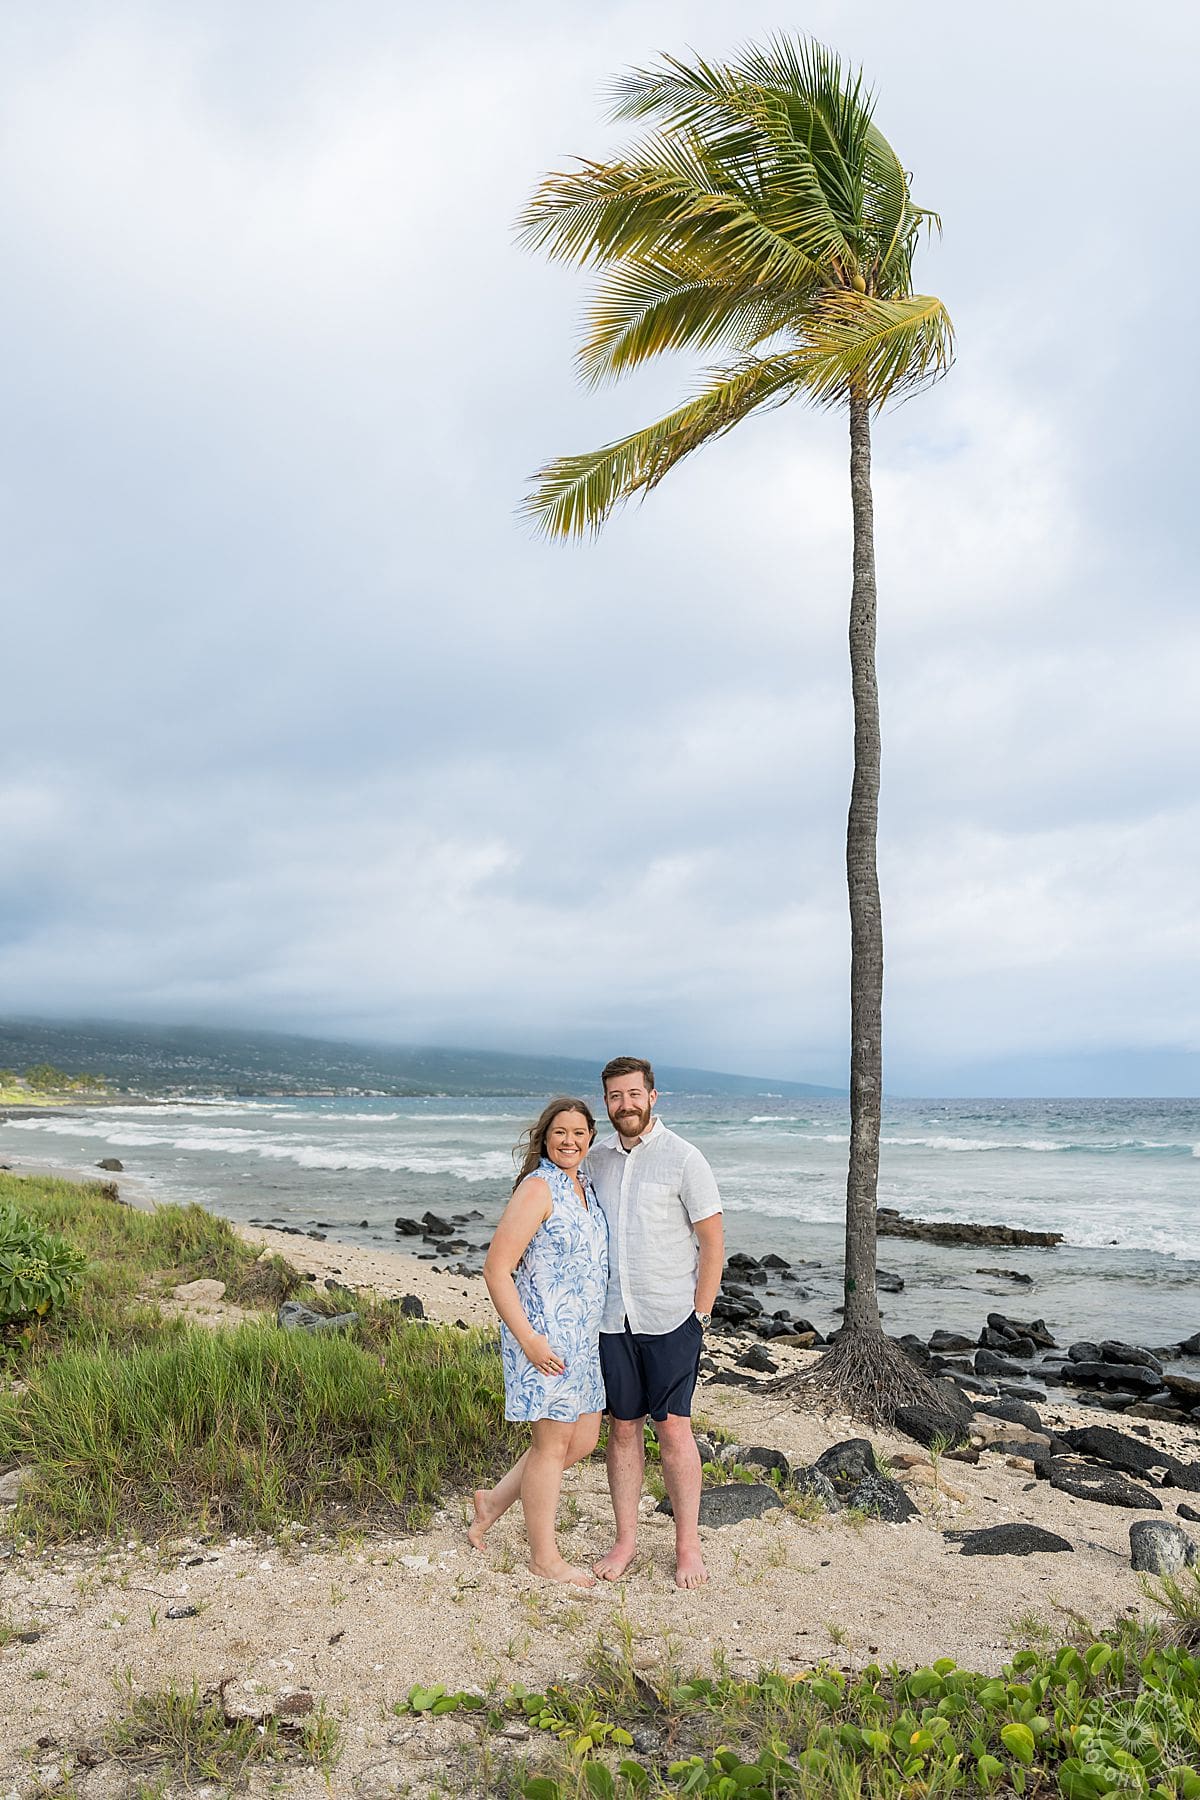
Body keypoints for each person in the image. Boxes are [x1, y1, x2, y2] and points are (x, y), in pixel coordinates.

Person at [586, 1056, 724, 1588]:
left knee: (673, 1429)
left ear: (653, 1096)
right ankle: (626, 1542)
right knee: (622, 1429)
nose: (625, 1105)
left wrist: (701, 1317)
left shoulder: (684, 1159)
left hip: (670, 1317)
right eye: (615, 1097)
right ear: (606, 1103)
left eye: (633, 1094)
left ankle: (687, 1546)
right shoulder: (595, 1160)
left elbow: (712, 1243)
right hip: (611, 1316)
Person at [470, 1097, 609, 1586]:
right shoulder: (538, 1187)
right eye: (559, 1132)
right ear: (544, 1138)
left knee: (585, 1439)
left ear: (591, 1136)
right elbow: (496, 1269)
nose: (569, 1140)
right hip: (545, 1338)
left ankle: (494, 1501)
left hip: (584, 1340)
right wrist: (527, 1339)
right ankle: (543, 1558)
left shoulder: (586, 1185)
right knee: (550, 1446)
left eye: (578, 1132)